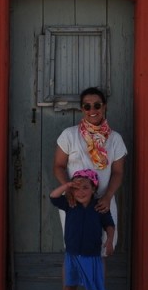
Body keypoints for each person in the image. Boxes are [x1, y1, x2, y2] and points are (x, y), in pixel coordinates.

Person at [48, 169, 116, 290]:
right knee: (69, 285)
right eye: (76, 188)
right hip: (72, 254)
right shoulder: (69, 204)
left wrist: (110, 241)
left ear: (94, 189)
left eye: (85, 187)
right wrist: (67, 185)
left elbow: (109, 225)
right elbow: (53, 196)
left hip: (92, 255)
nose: (80, 192)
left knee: (96, 287)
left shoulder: (99, 206)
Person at [53, 87, 127, 224]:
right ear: (82, 109)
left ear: (104, 107)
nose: (92, 110)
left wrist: (108, 197)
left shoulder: (115, 139)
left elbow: (118, 172)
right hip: (74, 200)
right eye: (87, 106)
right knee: (74, 242)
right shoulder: (69, 135)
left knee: (106, 242)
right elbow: (59, 166)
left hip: (103, 202)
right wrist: (68, 188)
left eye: (97, 105)